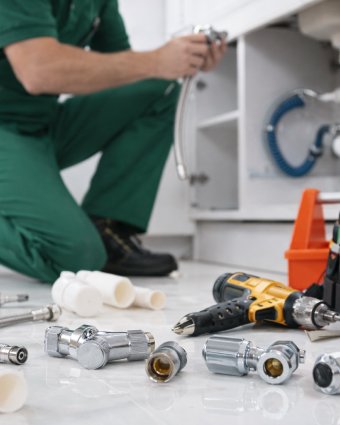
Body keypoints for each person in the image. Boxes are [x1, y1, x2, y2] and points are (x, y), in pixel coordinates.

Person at [0, 0, 227, 283]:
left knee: (159, 90)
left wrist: (184, 58)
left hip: (40, 125)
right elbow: (40, 71)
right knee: (75, 256)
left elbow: (126, 73)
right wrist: (157, 60)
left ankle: (109, 229)